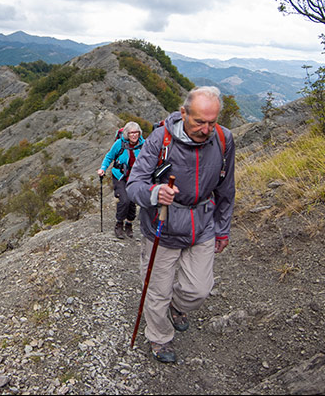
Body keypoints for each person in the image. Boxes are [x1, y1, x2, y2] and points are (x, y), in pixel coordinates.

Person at [126, 86, 235, 363]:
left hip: (202, 224)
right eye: (199, 121)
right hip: (162, 226)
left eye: (212, 122)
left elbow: (226, 188)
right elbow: (134, 184)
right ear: (184, 113)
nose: (206, 129)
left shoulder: (224, 139)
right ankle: (159, 337)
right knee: (157, 291)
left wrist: (222, 228)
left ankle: (178, 305)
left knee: (198, 289)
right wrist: (155, 193)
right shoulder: (160, 139)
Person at [97, 121, 145, 239]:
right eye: (131, 133)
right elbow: (109, 156)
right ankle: (119, 224)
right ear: (127, 134)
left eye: (136, 132)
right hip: (120, 176)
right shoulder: (119, 143)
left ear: (139, 133)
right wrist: (103, 168)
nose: (134, 135)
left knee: (132, 201)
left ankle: (129, 225)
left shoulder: (144, 144)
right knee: (124, 200)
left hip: (135, 177)